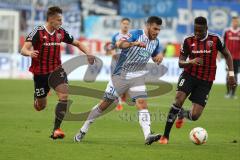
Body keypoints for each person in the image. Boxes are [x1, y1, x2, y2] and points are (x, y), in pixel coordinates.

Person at [74, 16, 164, 145]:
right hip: (121, 74)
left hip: (137, 76)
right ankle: (83, 129)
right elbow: (120, 44)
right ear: (148, 26)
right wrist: (134, 43)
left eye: (159, 30)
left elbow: (155, 55)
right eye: (155, 28)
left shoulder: (156, 42)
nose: (157, 32)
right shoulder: (136, 34)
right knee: (104, 104)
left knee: (142, 103)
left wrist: (158, 57)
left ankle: (148, 135)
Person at [159, 16, 236, 144]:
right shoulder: (188, 40)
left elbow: (227, 54)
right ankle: (165, 136)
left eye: (200, 31)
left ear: (206, 28)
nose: (197, 34)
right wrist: (191, 61)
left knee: (195, 116)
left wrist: (231, 74)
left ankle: (183, 114)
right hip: (189, 75)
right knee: (178, 99)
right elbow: (180, 63)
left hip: (206, 80)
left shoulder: (215, 39)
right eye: (195, 30)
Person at [20, 6, 94, 139]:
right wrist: (30, 53)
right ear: (51, 19)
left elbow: (77, 43)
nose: (61, 22)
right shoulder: (38, 32)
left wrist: (88, 53)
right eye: (59, 20)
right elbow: (23, 49)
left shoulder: (61, 32)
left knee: (64, 96)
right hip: (40, 73)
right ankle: (37, 99)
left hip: (56, 70)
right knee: (41, 106)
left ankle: (56, 129)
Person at [105, 17, 132, 111]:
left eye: (127, 23)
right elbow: (111, 47)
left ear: (129, 25)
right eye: (124, 23)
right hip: (116, 62)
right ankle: (118, 102)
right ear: (121, 24)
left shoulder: (131, 36)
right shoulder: (116, 36)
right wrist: (114, 55)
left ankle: (122, 97)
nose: (125, 25)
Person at [223, 16, 240, 99]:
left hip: (237, 58)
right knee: (228, 74)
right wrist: (220, 55)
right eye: (234, 21)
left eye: (236, 21)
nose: (235, 23)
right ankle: (228, 92)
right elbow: (222, 44)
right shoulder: (227, 32)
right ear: (232, 22)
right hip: (228, 58)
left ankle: (233, 93)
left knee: (235, 75)